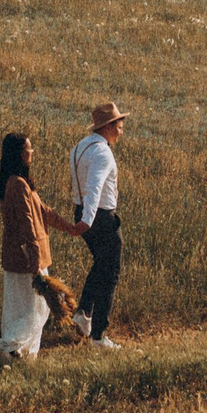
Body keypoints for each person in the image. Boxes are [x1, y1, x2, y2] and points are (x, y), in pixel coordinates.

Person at [0, 129, 83, 363]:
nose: (32, 152)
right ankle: (11, 347)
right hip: (27, 258)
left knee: (21, 308)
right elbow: (27, 223)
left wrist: (68, 227)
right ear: (20, 154)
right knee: (36, 309)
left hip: (20, 257)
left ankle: (17, 353)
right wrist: (34, 257)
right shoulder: (18, 185)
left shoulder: (18, 183)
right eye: (28, 149)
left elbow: (44, 211)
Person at [69, 101, 127, 348]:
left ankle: (83, 314)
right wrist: (87, 221)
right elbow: (94, 188)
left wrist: (82, 218)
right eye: (120, 126)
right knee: (111, 272)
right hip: (100, 216)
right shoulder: (103, 153)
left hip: (81, 211)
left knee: (101, 265)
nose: (122, 131)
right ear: (109, 127)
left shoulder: (80, 146)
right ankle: (99, 336)